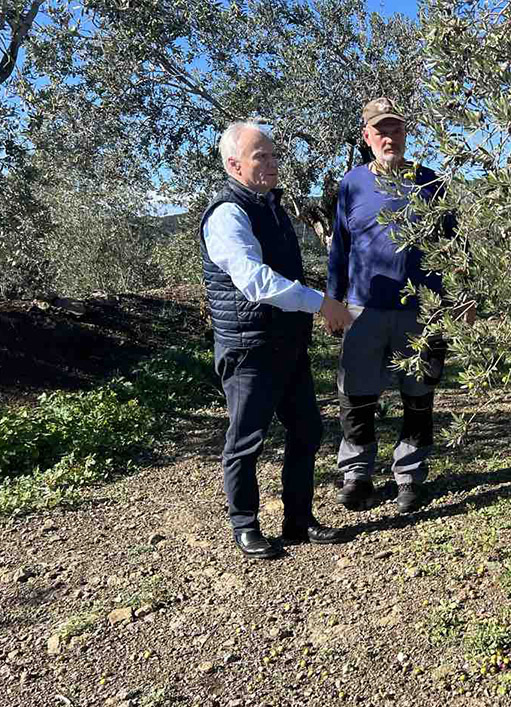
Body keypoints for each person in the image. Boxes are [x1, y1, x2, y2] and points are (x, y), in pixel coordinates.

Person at [200, 120, 353, 559]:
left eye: (272, 155)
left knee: (306, 429)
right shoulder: (229, 213)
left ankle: (298, 519)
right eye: (259, 157)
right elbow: (255, 281)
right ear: (234, 165)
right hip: (249, 347)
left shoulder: (270, 204)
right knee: (245, 440)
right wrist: (321, 303)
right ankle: (245, 525)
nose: (270, 163)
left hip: (287, 344)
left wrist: (312, 308)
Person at [328, 97, 463, 515]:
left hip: (421, 311)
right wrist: (333, 300)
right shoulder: (352, 184)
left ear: (406, 133)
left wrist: (462, 297)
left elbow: (455, 245)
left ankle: (409, 476)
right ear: (367, 137)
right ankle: (357, 475)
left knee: (418, 395)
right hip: (363, 309)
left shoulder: (430, 182)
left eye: (396, 130)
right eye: (381, 131)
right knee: (357, 395)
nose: (389, 137)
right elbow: (341, 247)